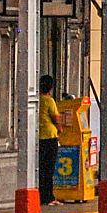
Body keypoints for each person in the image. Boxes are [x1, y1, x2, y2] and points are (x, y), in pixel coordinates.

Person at [36, 75, 62, 205]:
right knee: (49, 169)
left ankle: (41, 195)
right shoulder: (49, 101)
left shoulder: (36, 100)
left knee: (41, 168)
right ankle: (49, 197)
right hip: (50, 136)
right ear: (51, 88)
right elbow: (56, 117)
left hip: (39, 138)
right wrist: (60, 129)